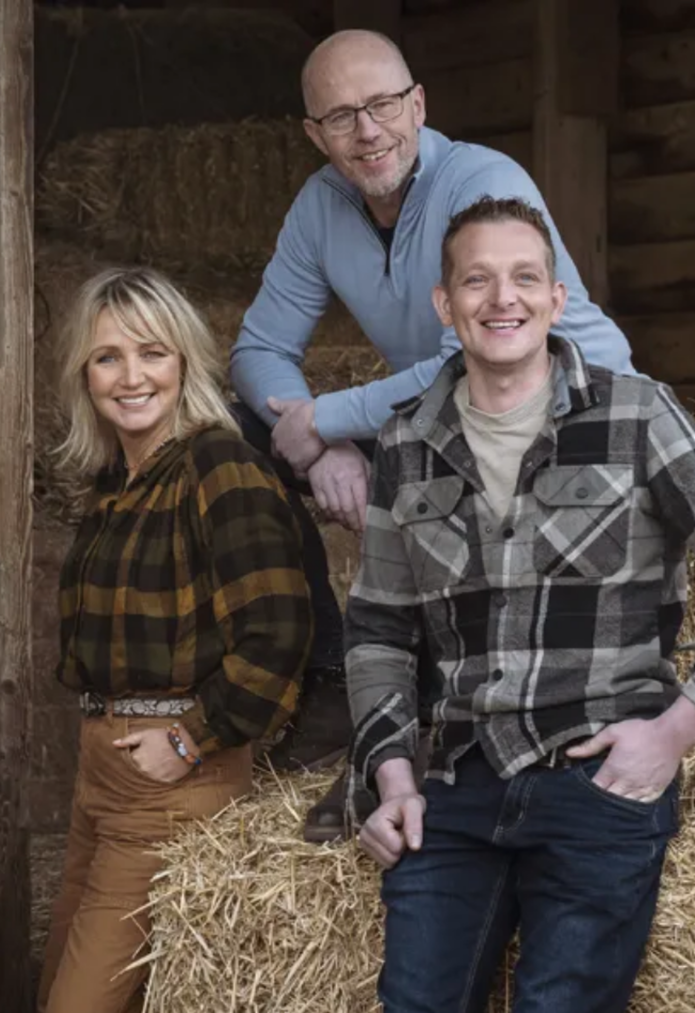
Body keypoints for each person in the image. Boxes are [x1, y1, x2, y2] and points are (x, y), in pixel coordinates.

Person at [229, 29, 636, 839]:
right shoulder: (320, 205)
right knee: (241, 427)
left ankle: (436, 735)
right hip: (433, 412)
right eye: (341, 116)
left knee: (455, 448)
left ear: (418, 104)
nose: (367, 130)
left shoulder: (480, 180)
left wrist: (334, 418)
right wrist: (325, 445)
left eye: (382, 105)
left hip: (557, 402)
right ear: (314, 134)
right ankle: (332, 680)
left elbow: (474, 356)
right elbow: (257, 351)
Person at [347, 196, 695, 1012]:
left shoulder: (638, 413)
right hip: (458, 782)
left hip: (600, 774)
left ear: (555, 298)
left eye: (524, 278)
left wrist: (674, 732)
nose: (502, 298)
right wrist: (392, 776)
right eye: (477, 280)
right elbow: (377, 627)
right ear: (445, 304)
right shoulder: (405, 442)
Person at [38, 266, 312, 1013]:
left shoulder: (218, 466)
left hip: (173, 774)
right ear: (83, 374)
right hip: (103, 771)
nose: (131, 376)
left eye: (152, 353)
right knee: (56, 982)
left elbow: (279, 630)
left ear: (185, 360)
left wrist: (191, 739)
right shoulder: (114, 486)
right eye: (107, 357)